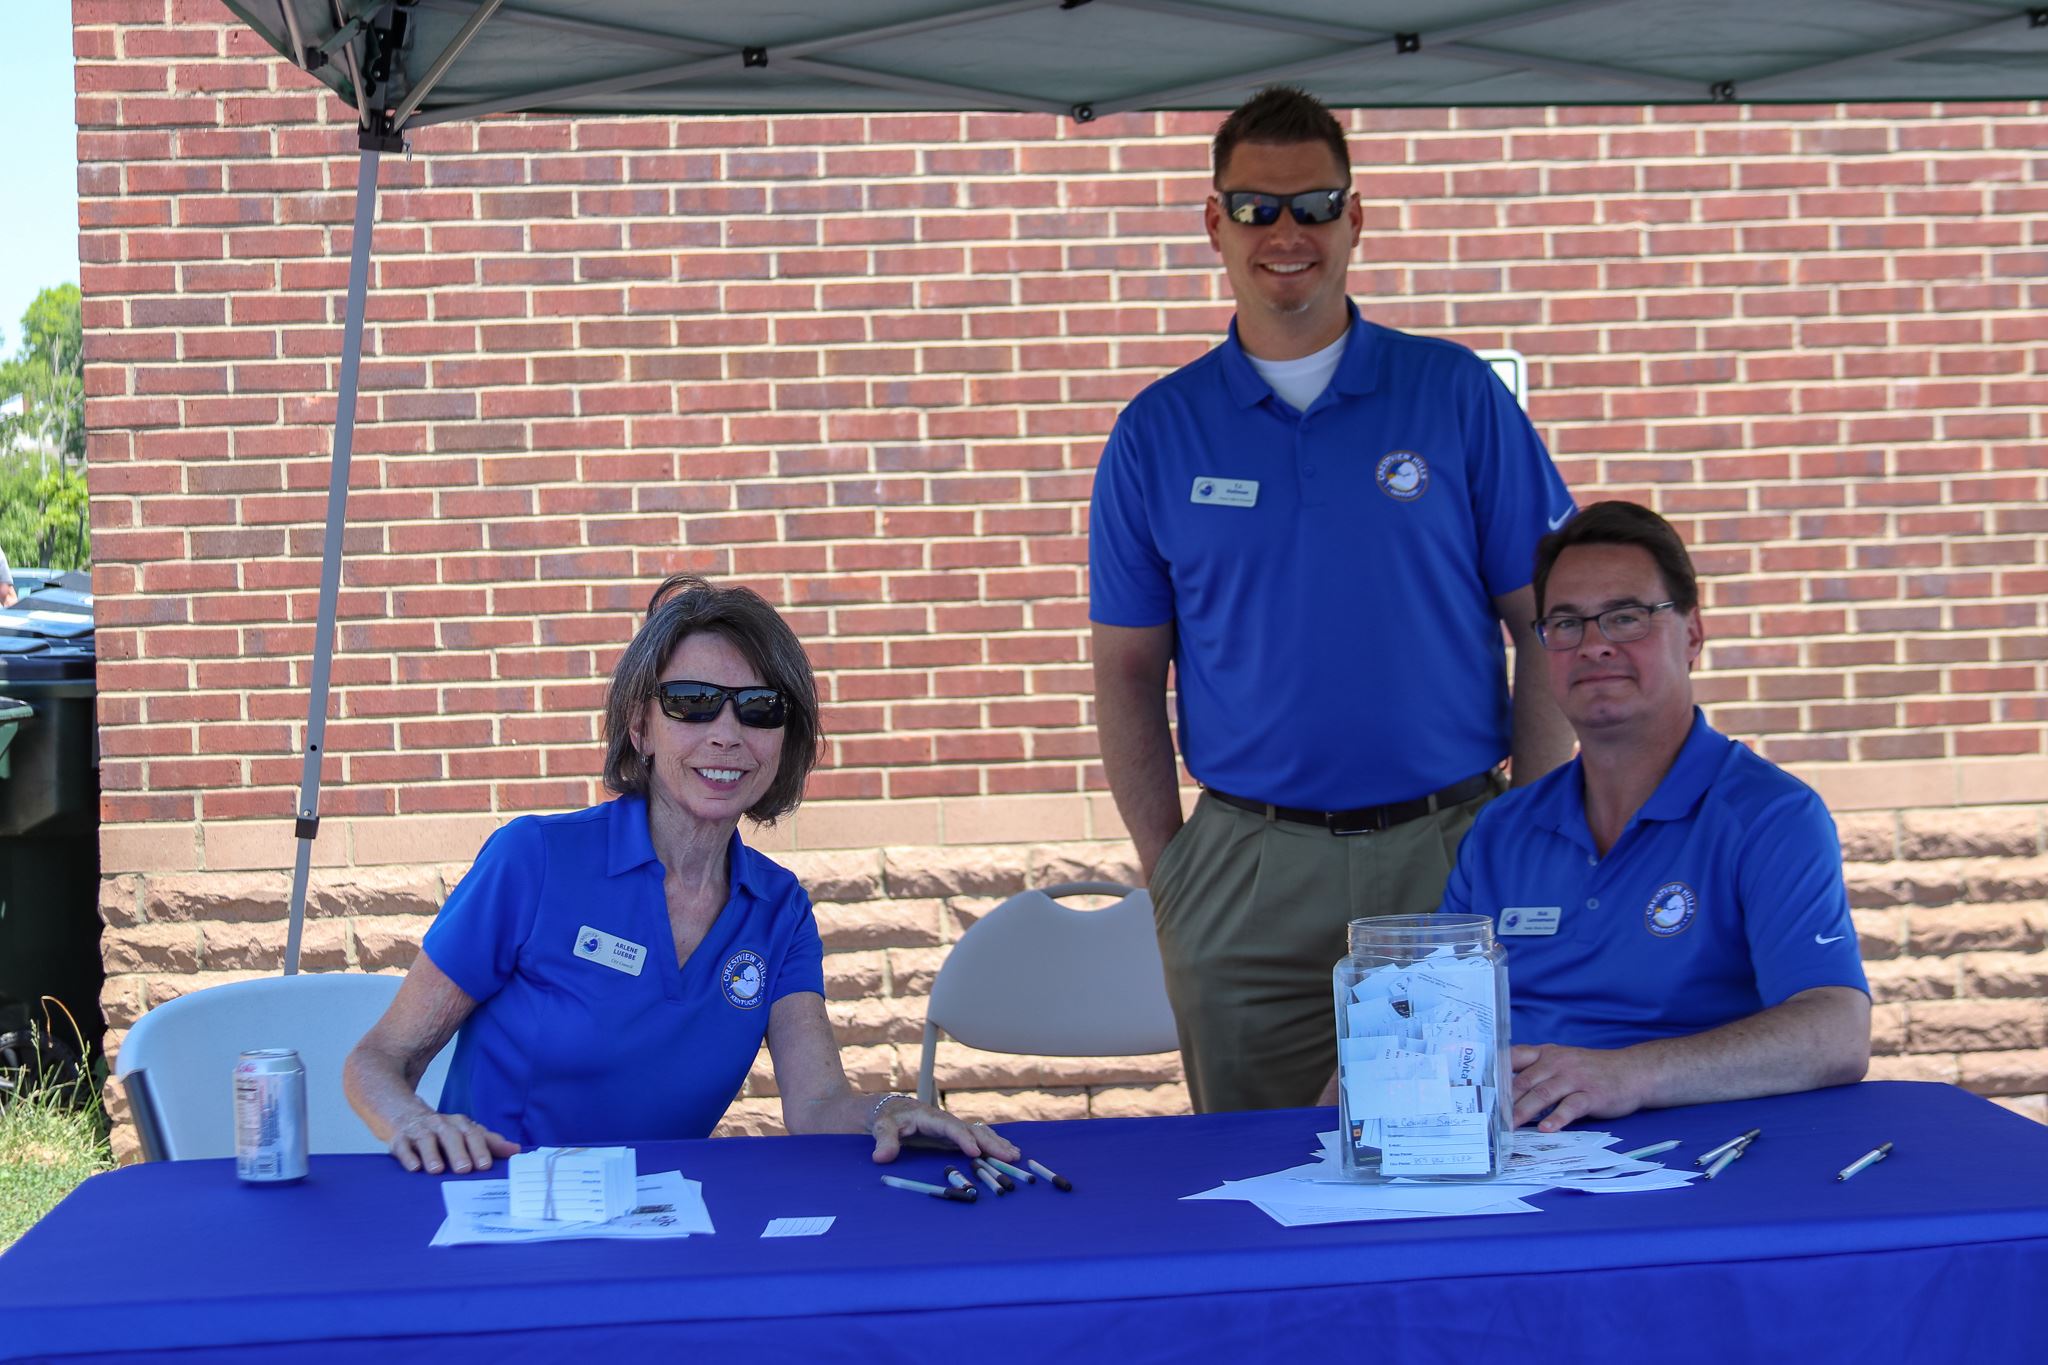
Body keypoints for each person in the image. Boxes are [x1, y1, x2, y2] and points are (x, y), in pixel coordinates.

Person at [1088, 86, 1578, 1113]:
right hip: (1243, 871)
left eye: (1313, 205)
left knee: (1445, 1152)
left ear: (1355, 217)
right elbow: (1127, 672)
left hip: (1445, 854)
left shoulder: (1453, 395)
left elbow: (1548, 624)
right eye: (1255, 207)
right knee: (1250, 1173)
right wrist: (1170, 870)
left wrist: (1528, 829)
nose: (1286, 233)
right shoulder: (1156, 432)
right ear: (1213, 222)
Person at [346, 575, 1017, 1174]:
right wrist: (416, 1123)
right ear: (640, 727)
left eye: (759, 707)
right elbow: (378, 1060)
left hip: (662, 1221)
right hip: (504, 1213)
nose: (726, 733)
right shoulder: (534, 860)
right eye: (693, 702)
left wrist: (890, 1110)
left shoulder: (778, 909)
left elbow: (817, 1103)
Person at [1439, 501, 1871, 1132]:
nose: (1594, 645)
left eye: (1626, 617)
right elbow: (1434, 1013)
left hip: (1695, 1158)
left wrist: (1629, 1075)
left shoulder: (1770, 816)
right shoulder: (1503, 830)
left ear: (1692, 633)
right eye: (1566, 623)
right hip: (1511, 1152)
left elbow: (1837, 1033)